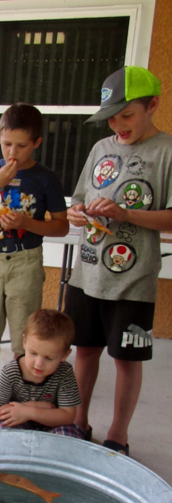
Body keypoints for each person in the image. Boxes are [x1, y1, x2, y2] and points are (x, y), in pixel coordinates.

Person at [64, 66, 172, 456]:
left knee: (127, 359)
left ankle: (118, 435)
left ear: (153, 105)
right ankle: (77, 421)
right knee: (85, 351)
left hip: (133, 279)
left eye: (127, 115)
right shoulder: (100, 149)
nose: (118, 124)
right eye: (112, 117)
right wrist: (76, 212)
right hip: (86, 274)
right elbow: (78, 198)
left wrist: (127, 215)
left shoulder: (166, 151)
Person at [0, 103, 69, 420]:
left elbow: (61, 225)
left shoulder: (46, 178)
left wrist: (27, 224)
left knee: (26, 334)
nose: (13, 152)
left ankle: (25, 400)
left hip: (25, 263)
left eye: (21, 146)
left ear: (37, 143)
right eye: (7, 144)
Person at [0, 309, 83, 437]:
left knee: (70, 440)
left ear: (64, 355)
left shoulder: (64, 373)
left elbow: (68, 416)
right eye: (33, 353)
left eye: (49, 358)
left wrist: (30, 412)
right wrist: (32, 406)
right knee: (3, 435)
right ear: (24, 342)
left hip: (53, 424)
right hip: (17, 421)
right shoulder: (11, 372)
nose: (38, 363)